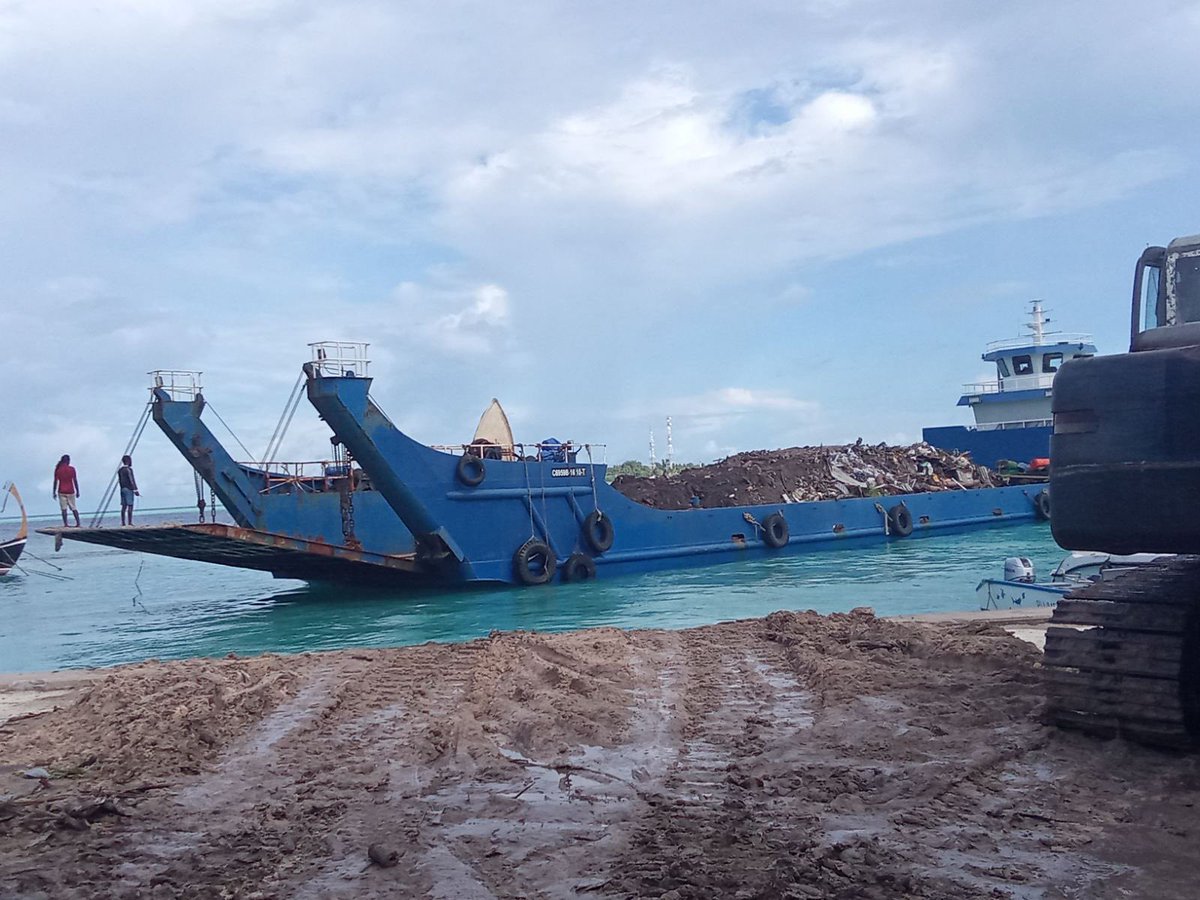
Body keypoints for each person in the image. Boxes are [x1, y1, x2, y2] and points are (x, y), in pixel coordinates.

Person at [53, 454, 81, 527]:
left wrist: (54, 492)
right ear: (68, 461)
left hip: (61, 490)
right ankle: (78, 523)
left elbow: (55, 482)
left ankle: (66, 524)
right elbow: (75, 480)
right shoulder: (72, 469)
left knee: (64, 509)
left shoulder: (58, 470)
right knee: (73, 507)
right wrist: (78, 491)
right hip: (70, 490)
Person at [118, 455, 140, 526]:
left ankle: (123, 523)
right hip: (129, 489)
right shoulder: (129, 470)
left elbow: (120, 481)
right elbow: (131, 480)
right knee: (130, 505)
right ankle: (130, 522)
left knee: (123, 506)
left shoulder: (120, 470)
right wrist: (135, 489)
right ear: (128, 461)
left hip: (122, 489)